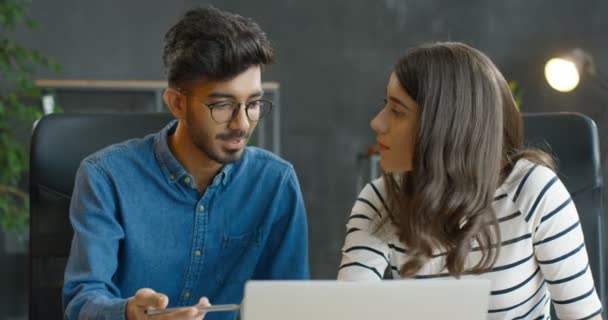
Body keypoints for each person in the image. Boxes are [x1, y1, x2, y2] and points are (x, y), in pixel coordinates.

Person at [63, 6, 309, 320]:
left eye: (254, 103)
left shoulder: (276, 183)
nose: (243, 123)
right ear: (177, 103)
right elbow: (81, 301)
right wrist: (128, 312)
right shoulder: (104, 177)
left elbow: (291, 306)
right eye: (223, 105)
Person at [338, 42, 603, 319]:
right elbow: (348, 311)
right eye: (385, 106)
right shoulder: (379, 200)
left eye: (398, 111)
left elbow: (582, 316)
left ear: (445, 125)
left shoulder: (533, 190)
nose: (377, 123)